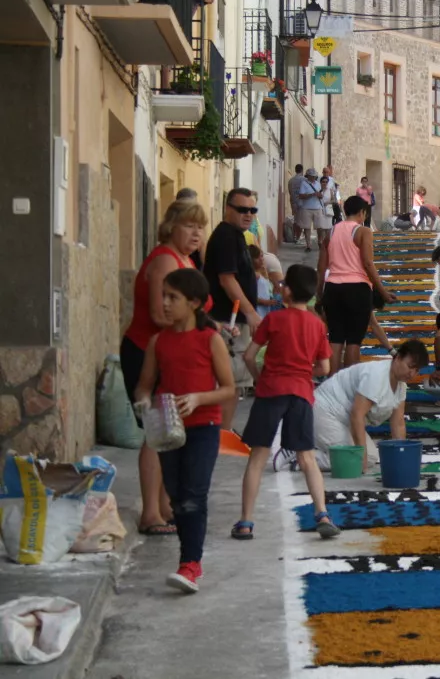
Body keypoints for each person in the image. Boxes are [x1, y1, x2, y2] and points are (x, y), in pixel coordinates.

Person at [134, 269, 235, 593]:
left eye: (172, 298)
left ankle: (189, 564)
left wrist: (198, 398)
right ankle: (190, 561)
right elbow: (144, 386)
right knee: (177, 498)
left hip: (204, 427)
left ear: (193, 303)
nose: (163, 303)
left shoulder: (210, 339)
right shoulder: (158, 342)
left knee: (193, 496)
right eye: (163, 295)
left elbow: (229, 388)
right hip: (168, 432)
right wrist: (145, 403)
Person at [122, 200, 214, 537]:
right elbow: (161, 315)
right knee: (156, 432)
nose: (196, 233)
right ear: (171, 226)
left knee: (171, 432)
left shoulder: (185, 260)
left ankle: (164, 508)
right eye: (190, 226)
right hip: (149, 352)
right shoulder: (164, 259)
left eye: (200, 227)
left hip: (171, 354)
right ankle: (150, 513)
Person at [234, 264, 340, 541]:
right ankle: (322, 514)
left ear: (288, 290)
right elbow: (325, 367)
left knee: (258, 457)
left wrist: (260, 378)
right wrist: (304, 371)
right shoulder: (317, 326)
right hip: (301, 393)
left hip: (271, 391)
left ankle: (246, 521)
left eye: (282, 285)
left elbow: (248, 356)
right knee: (306, 457)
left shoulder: (274, 320)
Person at [313, 340, 429, 472]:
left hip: (344, 418)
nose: (412, 374)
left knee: (371, 458)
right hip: (324, 411)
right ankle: (301, 456)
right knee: (355, 460)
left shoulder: (401, 386)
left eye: (417, 370)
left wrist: (401, 457)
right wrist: (360, 457)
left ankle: (312, 449)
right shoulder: (376, 375)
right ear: (398, 358)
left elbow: (398, 423)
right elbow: (357, 416)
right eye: (410, 366)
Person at [317, 196, 397, 372]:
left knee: (336, 340)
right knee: (354, 341)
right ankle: (348, 386)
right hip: (357, 289)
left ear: (346, 211)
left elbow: (321, 267)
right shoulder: (363, 232)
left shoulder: (330, 233)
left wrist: (319, 295)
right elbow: (368, 264)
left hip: (333, 288)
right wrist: (382, 291)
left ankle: (333, 385)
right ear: (362, 213)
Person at [203, 188, 261, 427]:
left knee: (235, 382)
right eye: (242, 210)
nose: (248, 215)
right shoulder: (226, 236)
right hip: (229, 320)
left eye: (252, 210)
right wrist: (251, 313)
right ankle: (221, 434)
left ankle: (222, 433)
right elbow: (227, 280)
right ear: (228, 209)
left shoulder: (236, 235)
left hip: (233, 319)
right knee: (232, 380)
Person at [249, 245, 281, 319]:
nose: (261, 259)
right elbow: (250, 296)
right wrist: (266, 302)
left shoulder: (262, 271)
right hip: (258, 312)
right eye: (258, 257)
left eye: (262, 256)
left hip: (265, 311)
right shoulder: (253, 275)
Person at [295, 168, 322, 252]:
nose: (313, 178)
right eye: (312, 176)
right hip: (306, 208)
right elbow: (301, 196)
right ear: (308, 176)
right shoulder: (304, 183)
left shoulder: (318, 184)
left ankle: (320, 242)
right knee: (307, 227)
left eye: (314, 176)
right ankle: (308, 245)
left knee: (319, 227)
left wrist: (320, 195)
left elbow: (321, 195)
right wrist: (312, 194)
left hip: (317, 208)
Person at [315, 174, 335, 247]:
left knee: (328, 227)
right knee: (320, 227)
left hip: (328, 210)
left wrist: (328, 202)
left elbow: (333, 200)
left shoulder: (330, 190)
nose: (325, 183)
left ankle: (326, 242)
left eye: (326, 182)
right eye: (323, 182)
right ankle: (320, 240)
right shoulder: (318, 190)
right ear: (320, 182)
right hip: (319, 209)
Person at [287, 164, 306, 241]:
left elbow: (290, 191)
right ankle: (298, 237)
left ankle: (295, 236)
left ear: (295, 170)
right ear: (302, 170)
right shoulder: (304, 180)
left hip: (293, 201)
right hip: (303, 202)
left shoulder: (291, 180)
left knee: (295, 219)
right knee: (301, 220)